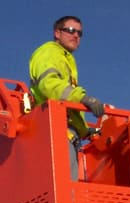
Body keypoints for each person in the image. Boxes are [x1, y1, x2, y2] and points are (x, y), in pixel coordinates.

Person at [29, 16, 109, 179]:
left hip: (65, 134)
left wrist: (87, 131)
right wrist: (83, 98)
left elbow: (69, 108)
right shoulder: (49, 52)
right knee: (66, 194)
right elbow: (49, 85)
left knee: (72, 194)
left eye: (80, 33)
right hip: (55, 132)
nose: (76, 36)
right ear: (57, 33)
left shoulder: (65, 59)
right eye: (71, 31)